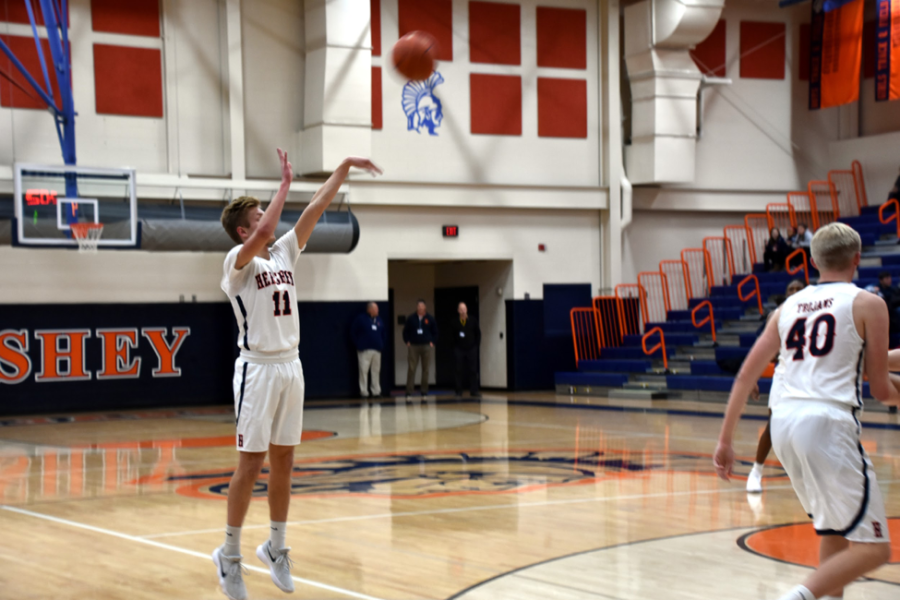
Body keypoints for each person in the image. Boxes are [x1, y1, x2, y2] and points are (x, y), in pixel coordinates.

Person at [215, 149, 382, 600]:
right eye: (258, 214)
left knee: (285, 460)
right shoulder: (237, 263)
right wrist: (284, 182)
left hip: (292, 365)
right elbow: (270, 226)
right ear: (244, 230)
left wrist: (342, 169)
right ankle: (229, 556)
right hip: (257, 369)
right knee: (250, 464)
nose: (267, 219)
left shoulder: (284, 252)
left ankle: (276, 546)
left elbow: (314, 210)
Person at [714, 222, 899, 600]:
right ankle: (794, 597)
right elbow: (880, 388)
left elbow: (745, 377)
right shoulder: (868, 303)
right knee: (875, 548)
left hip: (783, 426)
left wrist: (725, 442)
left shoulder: (787, 308)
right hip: (827, 425)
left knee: (833, 530)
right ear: (857, 259)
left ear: (813, 261)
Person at [746, 278, 806, 493]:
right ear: (786, 293)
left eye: (799, 288)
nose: (795, 291)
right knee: (774, 423)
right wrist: (752, 377)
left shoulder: (817, 312)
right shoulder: (777, 315)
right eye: (791, 288)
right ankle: (756, 471)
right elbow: (762, 350)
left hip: (809, 374)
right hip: (784, 373)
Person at [403, 300, 438, 399]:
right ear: (416, 307)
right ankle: (409, 392)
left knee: (425, 369)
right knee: (411, 368)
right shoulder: (411, 318)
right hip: (413, 346)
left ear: (425, 307)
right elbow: (405, 331)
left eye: (422, 306)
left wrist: (432, 342)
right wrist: (407, 341)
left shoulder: (430, 318)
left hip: (426, 346)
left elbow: (435, 332)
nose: (420, 307)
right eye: (419, 306)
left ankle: (424, 392)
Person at [351, 302, 386, 399]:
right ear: (370, 309)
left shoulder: (379, 320)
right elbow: (353, 332)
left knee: (376, 371)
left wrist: (381, 344)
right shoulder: (361, 319)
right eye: (376, 309)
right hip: (364, 350)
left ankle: (376, 391)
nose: (378, 311)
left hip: (377, 349)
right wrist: (358, 344)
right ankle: (364, 392)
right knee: (363, 371)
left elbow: (383, 333)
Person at [450, 302, 481, 398]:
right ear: (458, 311)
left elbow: (478, 333)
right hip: (459, 349)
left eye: (464, 309)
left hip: (471, 348)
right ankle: (458, 391)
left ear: (467, 310)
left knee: (473, 370)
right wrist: (455, 347)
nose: (463, 311)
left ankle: (474, 390)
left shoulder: (472, 320)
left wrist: (476, 346)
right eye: (461, 309)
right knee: (458, 370)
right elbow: (452, 336)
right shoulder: (455, 322)